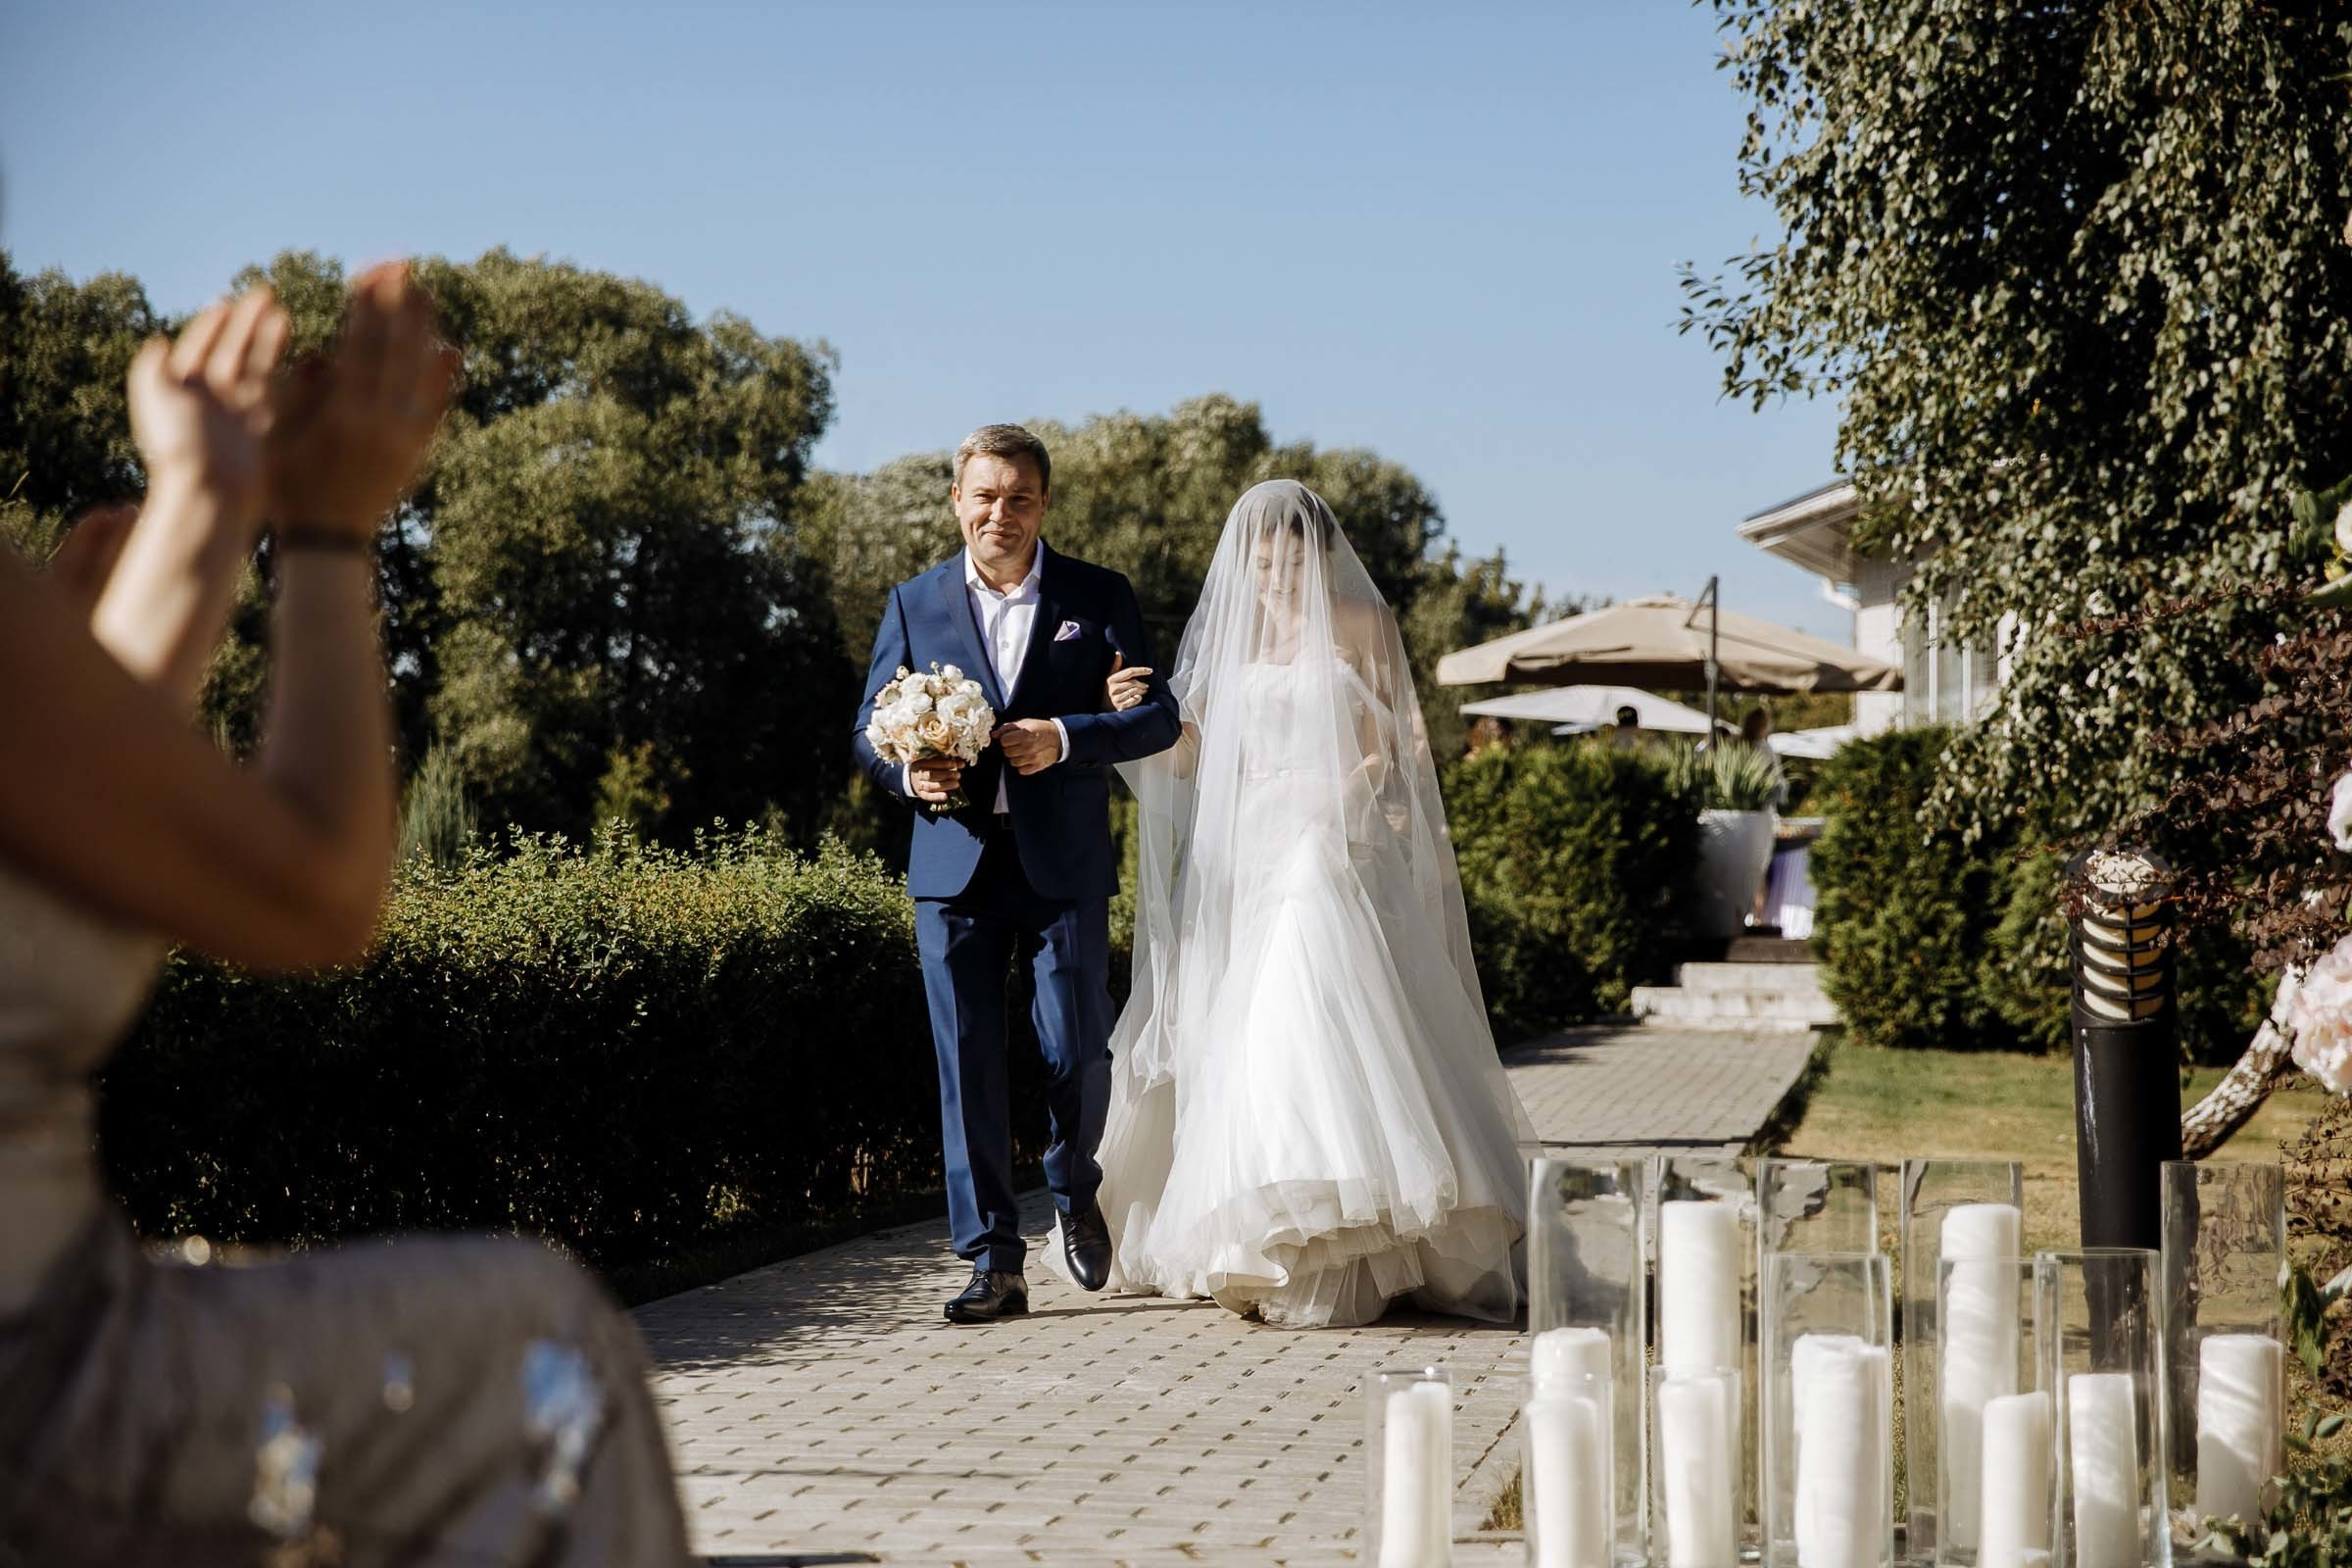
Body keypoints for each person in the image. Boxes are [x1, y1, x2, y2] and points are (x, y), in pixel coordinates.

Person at [0, 269, 691, 1566]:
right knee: (538, 1348)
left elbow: (92, 822)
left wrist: (202, 509)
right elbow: (312, 885)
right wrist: (324, 534)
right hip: (47, 1384)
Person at [1084, 480, 1533, 1328]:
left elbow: (1392, 750)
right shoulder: (1232, 639)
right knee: (1245, 1028)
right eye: (1262, 565)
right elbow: (1191, 762)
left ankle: (1341, 1225)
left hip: (1326, 843)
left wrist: (1340, 809)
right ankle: (1265, 1232)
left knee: (1307, 995)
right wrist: (1136, 714)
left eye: (1292, 562)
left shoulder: (1365, 627)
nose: (1276, 579)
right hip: (1242, 851)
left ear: (1321, 556)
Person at [849, 423, 1181, 1325]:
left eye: (1019, 497)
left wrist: (1067, 735)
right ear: (958, 500)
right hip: (951, 865)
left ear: (1044, 504)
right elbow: (868, 729)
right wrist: (908, 773)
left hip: (1062, 863)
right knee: (968, 1067)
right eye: (985, 495)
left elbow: (1157, 719)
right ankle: (991, 1259)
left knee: (1079, 1049)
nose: (1001, 512)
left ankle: (1075, 1185)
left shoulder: (1097, 595)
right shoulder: (914, 603)